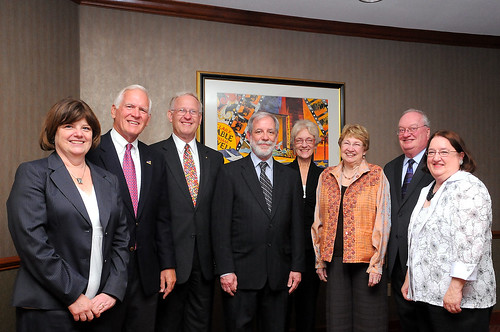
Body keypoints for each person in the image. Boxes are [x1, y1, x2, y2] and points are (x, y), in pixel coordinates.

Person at [7, 98, 129, 332]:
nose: (78, 133)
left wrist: (112, 291)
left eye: (86, 128)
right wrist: (73, 294)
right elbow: (31, 242)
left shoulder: (108, 180)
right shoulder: (33, 174)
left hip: (100, 309)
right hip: (48, 309)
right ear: (53, 132)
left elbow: (122, 240)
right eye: (69, 126)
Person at [86, 85, 176, 332]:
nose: (136, 114)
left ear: (148, 119)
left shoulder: (155, 158)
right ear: (114, 110)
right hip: (104, 273)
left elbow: (162, 216)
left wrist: (167, 264)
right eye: (130, 106)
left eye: (143, 110)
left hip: (146, 274)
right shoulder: (91, 152)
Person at [212, 111, 305, 332]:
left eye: (270, 132)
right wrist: (225, 270)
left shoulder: (290, 177)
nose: (265, 137)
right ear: (248, 136)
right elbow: (220, 226)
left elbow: (297, 227)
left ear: (277, 138)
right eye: (259, 131)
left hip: (279, 275)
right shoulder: (229, 173)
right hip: (239, 277)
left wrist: (297, 266)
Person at [402, 130, 496, 332]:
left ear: (461, 156)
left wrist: (455, 287)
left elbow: (471, 242)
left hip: (459, 300)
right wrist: (410, 278)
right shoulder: (427, 190)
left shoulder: (468, 187)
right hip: (428, 296)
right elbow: (418, 239)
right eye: (432, 152)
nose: (436, 158)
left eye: (444, 152)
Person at [152, 92, 223, 332]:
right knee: (167, 324)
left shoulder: (214, 158)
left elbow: (218, 213)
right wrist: (164, 262)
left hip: (204, 262)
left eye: (193, 112)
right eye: (182, 110)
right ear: (170, 115)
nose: (187, 116)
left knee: (200, 325)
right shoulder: (152, 155)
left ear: (200, 118)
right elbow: (151, 213)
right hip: (168, 261)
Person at [312, 124, 391, 332]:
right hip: (335, 260)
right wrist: (319, 258)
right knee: (338, 323)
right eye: (346, 142)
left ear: (365, 149)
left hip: (367, 262)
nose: (351, 148)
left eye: (357, 144)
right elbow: (318, 220)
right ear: (340, 146)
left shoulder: (376, 175)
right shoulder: (326, 176)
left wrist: (377, 263)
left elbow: (383, 220)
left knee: (369, 323)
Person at [384, 109, 433, 332]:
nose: (406, 134)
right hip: (397, 260)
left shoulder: (437, 165)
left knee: (428, 320)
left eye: (412, 128)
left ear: (427, 132)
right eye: (402, 130)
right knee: (406, 320)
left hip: (427, 260)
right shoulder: (390, 168)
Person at [286, 119, 323, 332]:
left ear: (316, 143)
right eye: (299, 140)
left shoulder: (325, 176)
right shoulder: (281, 173)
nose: (304, 144)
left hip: (312, 254)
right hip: (285, 252)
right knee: (282, 309)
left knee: (307, 310)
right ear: (292, 144)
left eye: (309, 140)